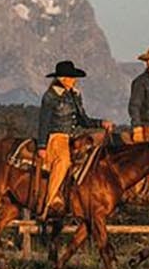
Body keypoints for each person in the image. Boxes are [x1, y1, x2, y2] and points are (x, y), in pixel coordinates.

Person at [35, 60, 112, 219]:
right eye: (71, 77)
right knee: (63, 162)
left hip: (72, 137)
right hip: (57, 137)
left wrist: (100, 123)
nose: (74, 80)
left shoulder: (75, 95)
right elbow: (44, 121)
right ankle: (51, 199)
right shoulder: (50, 96)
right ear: (63, 78)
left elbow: (83, 120)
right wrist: (42, 145)